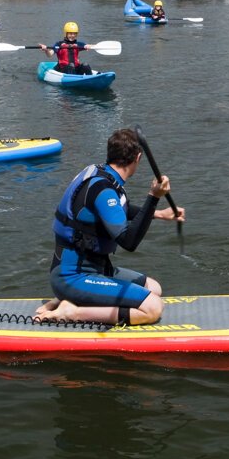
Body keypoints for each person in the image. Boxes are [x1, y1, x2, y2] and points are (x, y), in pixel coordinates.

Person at [34, 128, 186, 326]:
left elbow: (118, 208)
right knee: (153, 308)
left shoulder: (101, 175)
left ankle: (68, 299)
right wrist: (153, 198)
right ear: (138, 158)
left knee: (154, 288)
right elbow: (129, 241)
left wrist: (159, 214)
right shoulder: (103, 189)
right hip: (73, 276)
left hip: (96, 270)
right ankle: (73, 311)